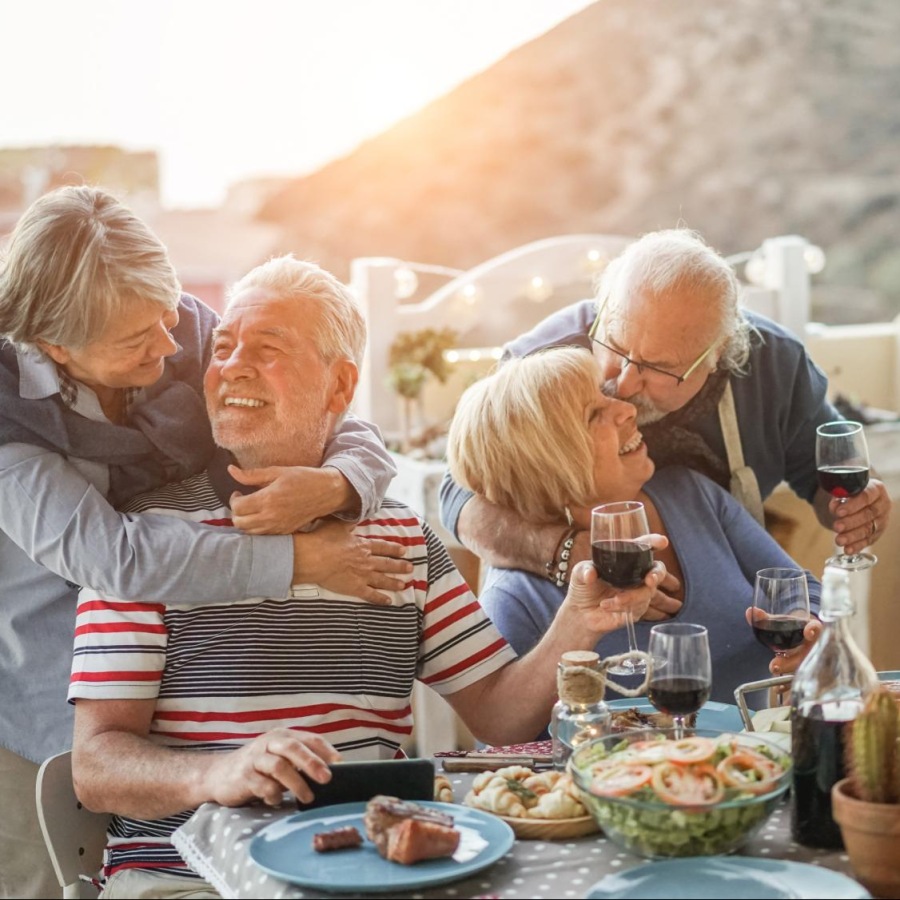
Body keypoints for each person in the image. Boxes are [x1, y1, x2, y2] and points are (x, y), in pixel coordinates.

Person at [68, 255, 664, 899]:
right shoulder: (143, 539)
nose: (231, 365)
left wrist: (578, 617)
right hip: (186, 876)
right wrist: (216, 773)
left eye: (266, 349)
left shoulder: (402, 536)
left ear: (338, 387)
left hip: (373, 865)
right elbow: (96, 765)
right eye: (223, 347)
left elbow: (498, 714)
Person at [0, 186, 409, 900]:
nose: (170, 345)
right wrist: (298, 562)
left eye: (166, 314)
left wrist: (340, 484)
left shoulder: (176, 327)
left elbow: (336, 412)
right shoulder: (7, 419)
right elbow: (118, 560)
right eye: (137, 340)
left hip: (183, 691)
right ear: (55, 345)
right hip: (40, 709)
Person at [439, 228, 891, 605]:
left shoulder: (776, 365)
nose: (625, 383)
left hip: (724, 599)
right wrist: (564, 553)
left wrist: (853, 510)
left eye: (658, 368)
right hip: (567, 602)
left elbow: (824, 478)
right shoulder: (541, 362)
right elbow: (459, 496)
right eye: (614, 345)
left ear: (717, 355)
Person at [446, 347, 823, 711]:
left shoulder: (693, 496)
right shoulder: (515, 595)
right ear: (549, 463)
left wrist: (811, 635)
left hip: (745, 768)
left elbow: (802, 593)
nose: (628, 409)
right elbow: (500, 744)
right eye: (595, 413)